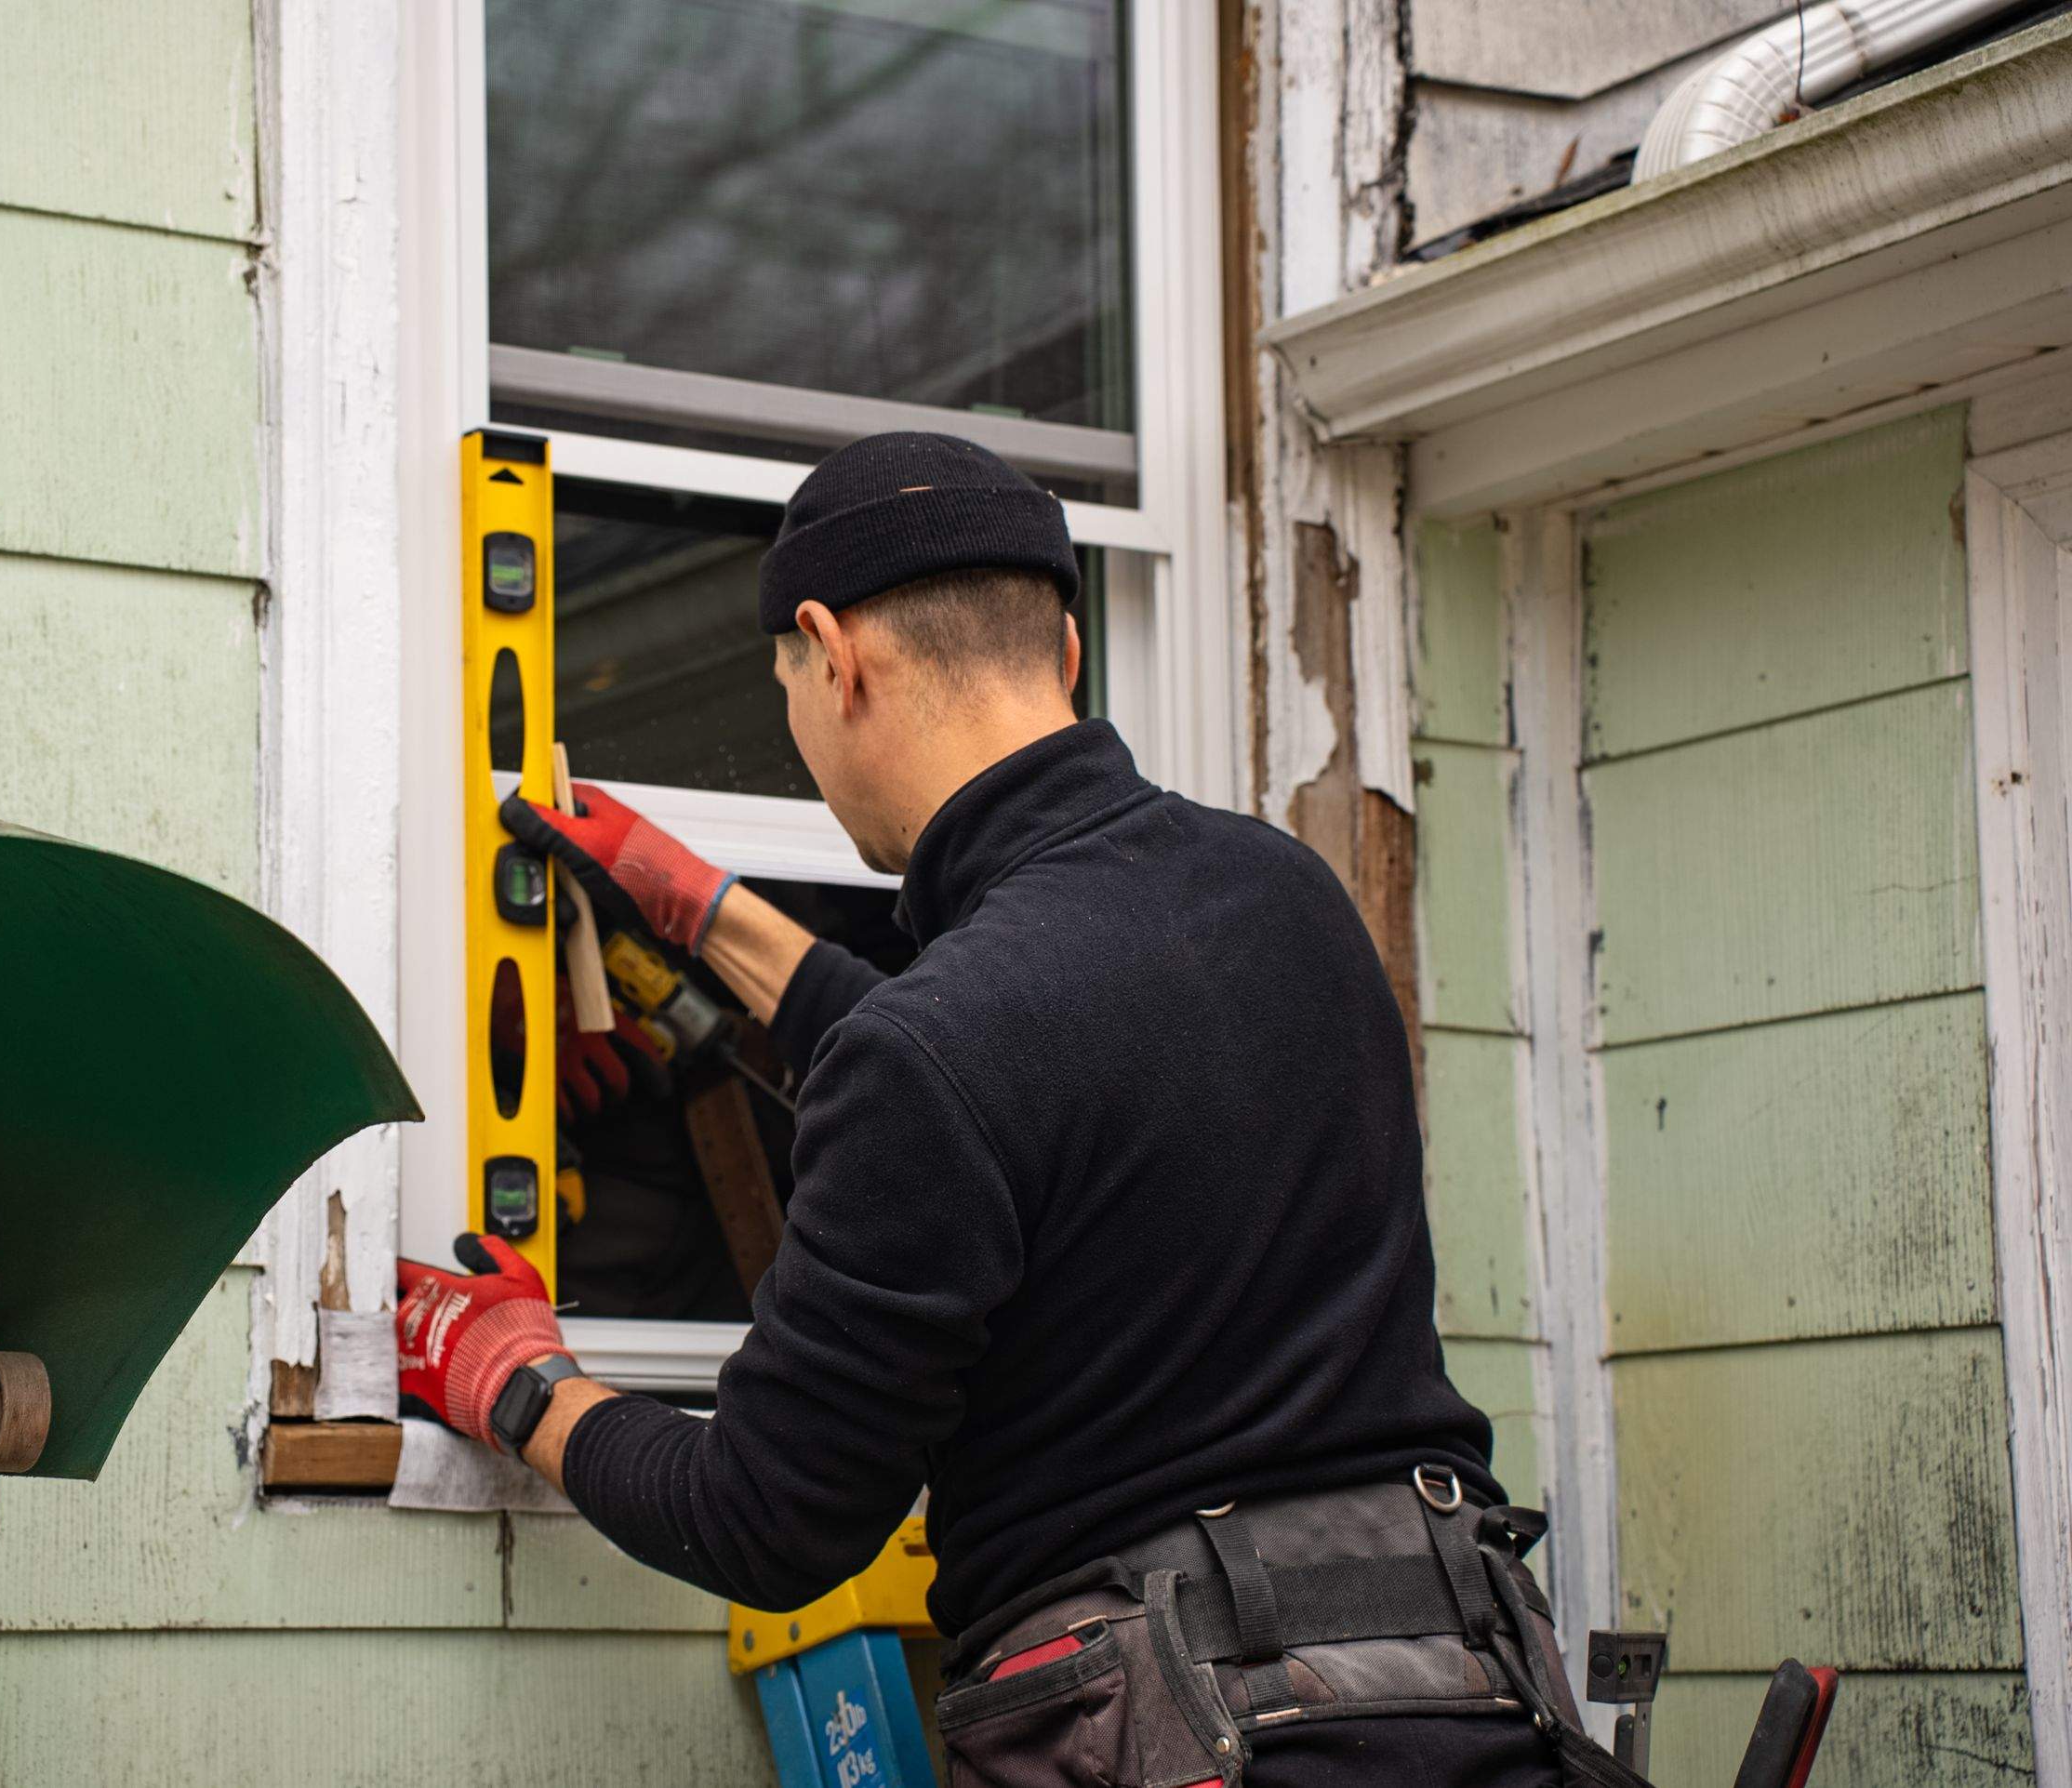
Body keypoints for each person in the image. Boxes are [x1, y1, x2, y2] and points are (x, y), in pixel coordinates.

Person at [394, 434, 1618, 1788]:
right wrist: (702, 908)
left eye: (785, 687)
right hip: (1467, 1701)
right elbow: (1021, 1067)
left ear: (834, 656)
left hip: (1187, 1742)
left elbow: (766, 1518)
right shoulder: (1292, 901)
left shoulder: (941, 1050)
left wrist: (518, 1381)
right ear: (1068, 651)